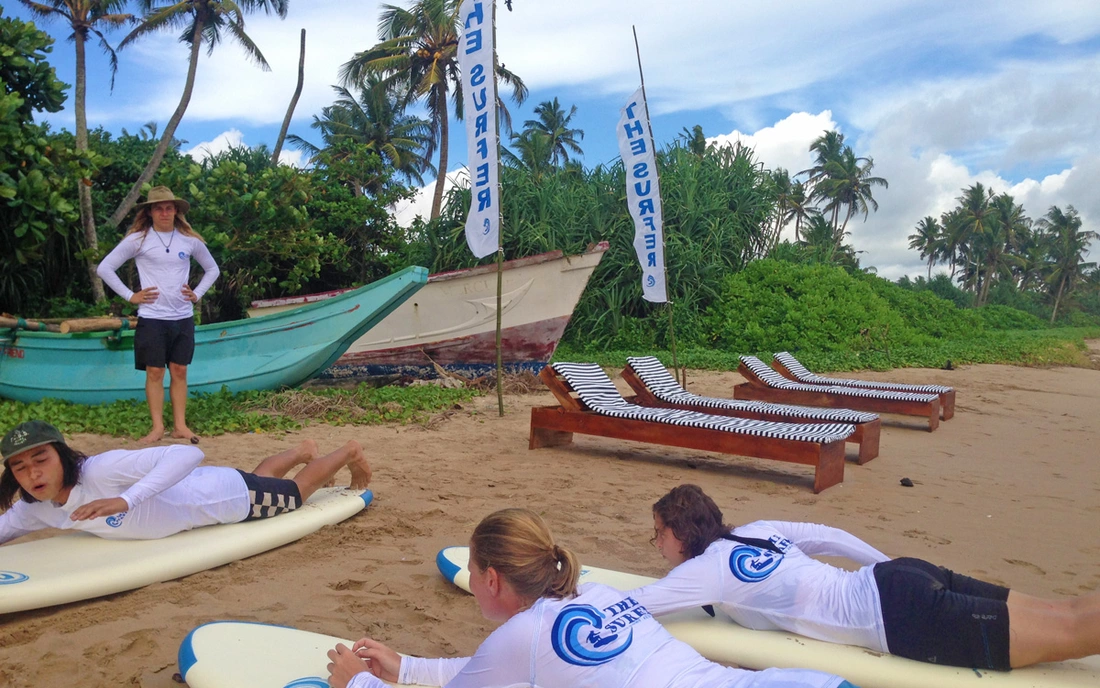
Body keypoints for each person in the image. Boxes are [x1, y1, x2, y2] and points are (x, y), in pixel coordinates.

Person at [325, 507, 859, 688]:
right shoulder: (597, 593)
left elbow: (501, 665)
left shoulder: (522, 636)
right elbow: (500, 669)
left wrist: (358, 680)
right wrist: (411, 668)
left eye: (472, 566)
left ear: (491, 580)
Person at [633, 484, 1100, 672]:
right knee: (1067, 611)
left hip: (898, 616)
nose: (656, 545)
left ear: (680, 533)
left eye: (658, 535)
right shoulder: (758, 530)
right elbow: (829, 534)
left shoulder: (702, 570)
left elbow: (638, 602)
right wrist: (890, 566)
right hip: (896, 577)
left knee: (1071, 631)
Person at [0, 419, 371, 544]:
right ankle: (300, 451)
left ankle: (347, 452)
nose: (33, 474)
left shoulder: (101, 470)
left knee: (292, 494)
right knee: (262, 478)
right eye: (19, 467)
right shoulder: (36, 508)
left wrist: (126, 500)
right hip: (216, 484)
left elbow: (188, 454)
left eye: (41, 459)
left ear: (62, 456)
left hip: (226, 499)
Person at [97, 185, 220, 444]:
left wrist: (196, 294)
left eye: (169, 208)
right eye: (159, 208)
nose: (164, 212)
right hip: (152, 317)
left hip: (182, 317)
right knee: (154, 372)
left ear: (176, 211)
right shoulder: (139, 239)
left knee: (179, 370)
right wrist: (131, 296)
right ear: (150, 212)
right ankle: (157, 427)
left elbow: (212, 269)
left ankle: (180, 426)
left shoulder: (190, 241)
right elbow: (105, 268)